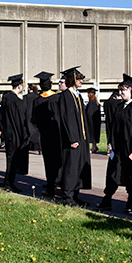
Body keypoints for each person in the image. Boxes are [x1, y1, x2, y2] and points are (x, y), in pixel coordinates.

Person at [98, 73, 132, 213]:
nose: (121, 92)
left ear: (131, 90)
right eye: (120, 89)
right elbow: (113, 127)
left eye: (124, 89)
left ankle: (130, 201)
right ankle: (107, 199)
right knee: (113, 174)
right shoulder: (119, 107)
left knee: (131, 176)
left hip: (131, 149)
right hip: (118, 148)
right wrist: (110, 143)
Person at [56, 67, 92, 206]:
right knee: (71, 168)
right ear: (73, 80)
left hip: (81, 139)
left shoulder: (77, 95)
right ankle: (68, 197)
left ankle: (76, 195)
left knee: (79, 166)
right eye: (79, 79)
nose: (81, 81)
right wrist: (72, 138)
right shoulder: (66, 96)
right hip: (73, 140)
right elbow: (67, 118)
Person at [32, 71, 62, 197]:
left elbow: (35, 120)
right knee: (60, 160)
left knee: (49, 162)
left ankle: (50, 187)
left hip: (45, 135)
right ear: (51, 83)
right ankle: (60, 183)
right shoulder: (58, 98)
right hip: (58, 134)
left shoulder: (38, 101)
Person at [0, 74, 29, 193]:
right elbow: (18, 119)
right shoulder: (14, 100)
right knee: (12, 159)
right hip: (14, 133)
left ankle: (9, 182)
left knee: (11, 158)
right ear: (20, 85)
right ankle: (8, 183)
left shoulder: (7, 98)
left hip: (9, 132)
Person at [85, 87, 102, 153]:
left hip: (91, 122)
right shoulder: (96, 102)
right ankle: (94, 147)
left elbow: (89, 113)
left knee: (92, 135)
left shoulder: (91, 103)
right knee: (94, 135)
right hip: (96, 122)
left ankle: (94, 148)